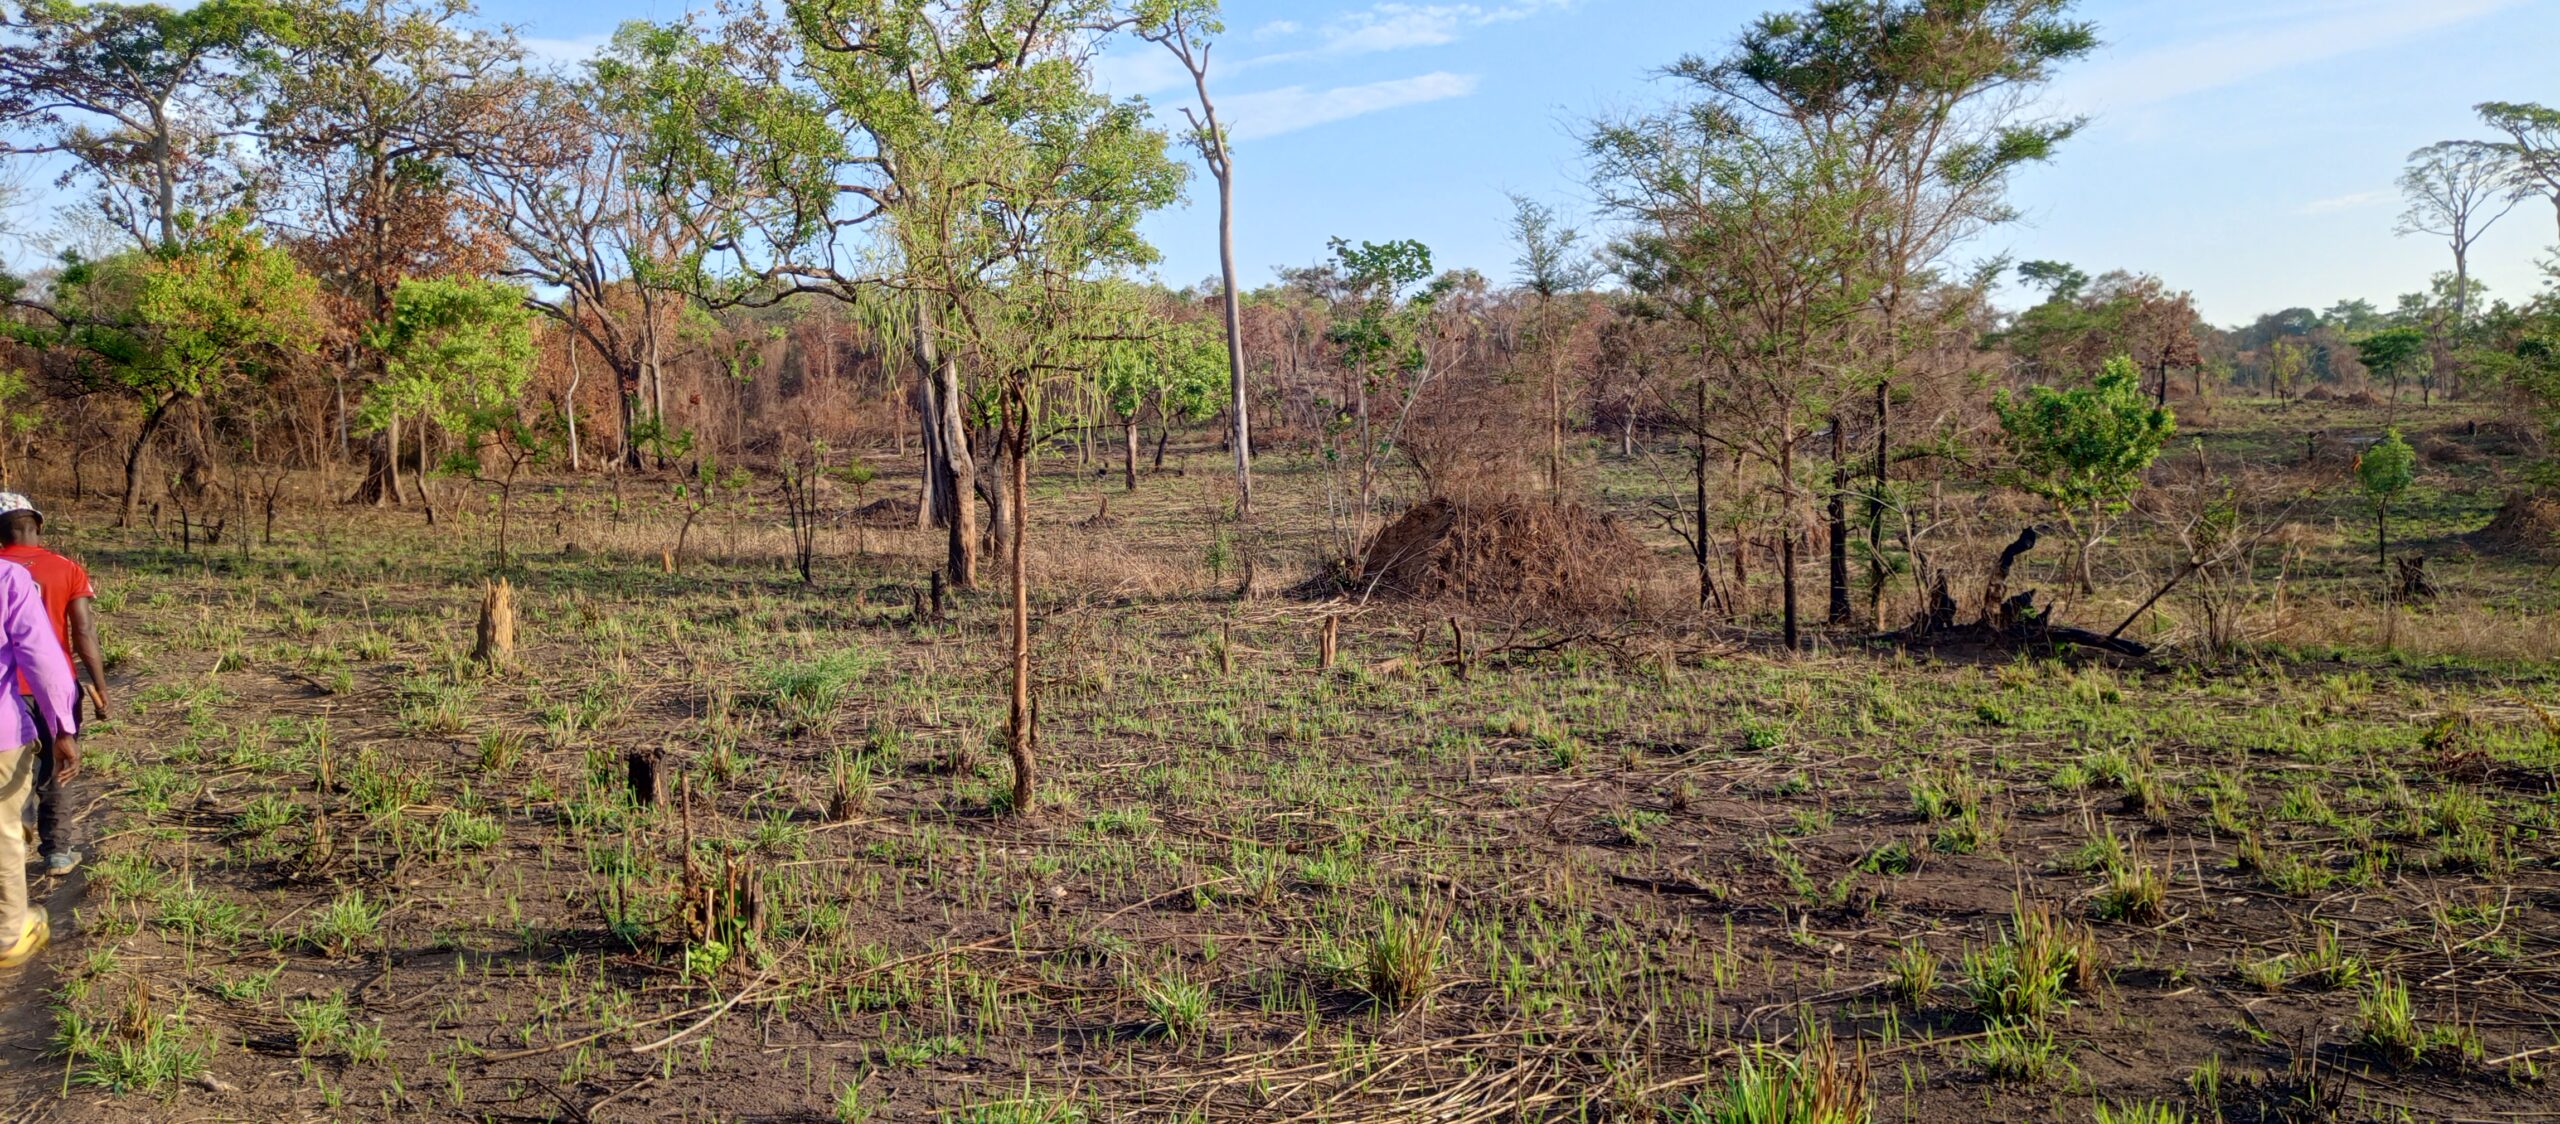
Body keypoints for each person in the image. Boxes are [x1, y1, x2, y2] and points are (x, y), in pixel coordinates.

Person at [0, 494, 104, 875]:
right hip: (56, 686)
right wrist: (98, 684)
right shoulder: (66, 567)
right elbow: (84, 631)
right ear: (38, 526)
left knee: (15, 769)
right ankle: (58, 851)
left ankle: (16, 842)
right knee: (59, 763)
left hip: (8, 689)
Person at [0, 547, 76, 968]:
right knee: (4, 834)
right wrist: (63, 727)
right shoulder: (9, 579)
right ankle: (8, 935)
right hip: (3, 735)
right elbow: (43, 660)